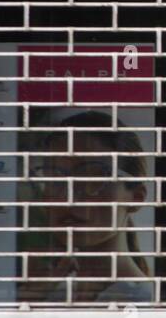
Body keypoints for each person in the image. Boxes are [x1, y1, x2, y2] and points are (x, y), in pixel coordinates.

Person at [22, 110, 156, 304]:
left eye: (92, 178)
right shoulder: (51, 291)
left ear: (135, 197)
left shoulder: (138, 300)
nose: (69, 198)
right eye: (56, 179)